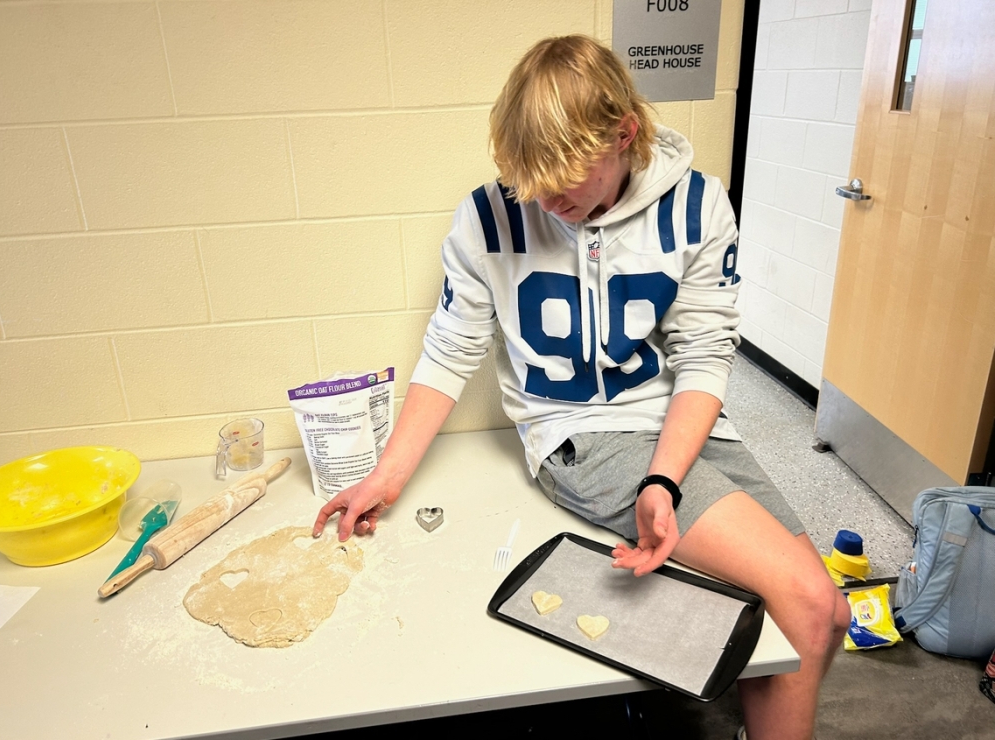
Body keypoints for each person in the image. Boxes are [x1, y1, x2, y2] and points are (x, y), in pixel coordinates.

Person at [313, 35, 850, 740]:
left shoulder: (698, 205)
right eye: (528, 184)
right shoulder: (489, 216)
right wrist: (387, 475)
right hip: (582, 437)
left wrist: (666, 478)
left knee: (830, 614)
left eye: (562, 184)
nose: (543, 202)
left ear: (624, 135)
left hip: (684, 424)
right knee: (806, 599)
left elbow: (703, 356)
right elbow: (450, 351)